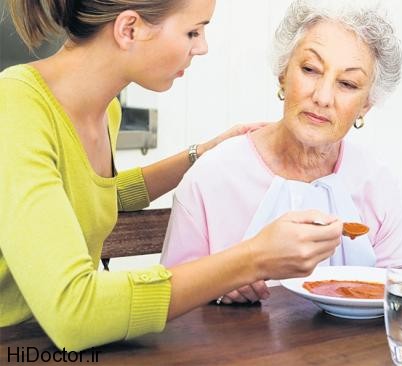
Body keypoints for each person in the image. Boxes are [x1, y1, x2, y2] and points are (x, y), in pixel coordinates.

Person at [0, 0, 344, 352]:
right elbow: (75, 311)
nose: (203, 46)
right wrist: (254, 257)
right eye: (193, 31)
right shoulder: (14, 107)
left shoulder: (104, 112)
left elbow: (86, 195)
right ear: (129, 29)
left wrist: (198, 155)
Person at [161, 0, 402, 305]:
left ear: (366, 104)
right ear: (283, 73)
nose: (322, 97)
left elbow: (396, 300)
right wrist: (216, 284)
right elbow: (166, 300)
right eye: (310, 69)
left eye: (347, 83)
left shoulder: (378, 185)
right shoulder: (210, 178)